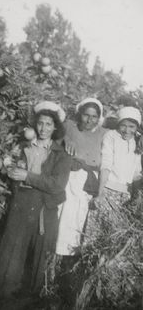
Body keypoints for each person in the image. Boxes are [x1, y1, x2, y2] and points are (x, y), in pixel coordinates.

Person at [0, 101, 71, 297]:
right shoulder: (22, 147)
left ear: (55, 128)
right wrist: (10, 171)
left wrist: (27, 176)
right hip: (22, 202)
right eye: (40, 123)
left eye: (48, 124)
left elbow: (57, 185)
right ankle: (4, 295)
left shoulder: (61, 155)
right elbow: (11, 172)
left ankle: (35, 299)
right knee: (13, 250)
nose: (43, 128)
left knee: (41, 255)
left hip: (45, 206)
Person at [56, 98, 107, 256]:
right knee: (63, 217)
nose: (89, 120)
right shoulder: (70, 126)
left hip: (89, 181)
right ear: (80, 114)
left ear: (99, 118)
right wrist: (66, 139)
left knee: (79, 219)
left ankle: (69, 259)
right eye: (86, 115)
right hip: (70, 178)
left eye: (94, 117)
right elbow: (56, 134)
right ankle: (54, 257)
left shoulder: (104, 133)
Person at [95, 106, 142, 217]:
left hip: (127, 195)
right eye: (123, 125)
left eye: (132, 127)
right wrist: (100, 193)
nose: (127, 130)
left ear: (137, 127)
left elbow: (136, 172)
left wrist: (137, 194)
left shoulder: (138, 140)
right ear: (118, 124)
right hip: (108, 191)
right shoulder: (111, 136)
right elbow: (106, 165)